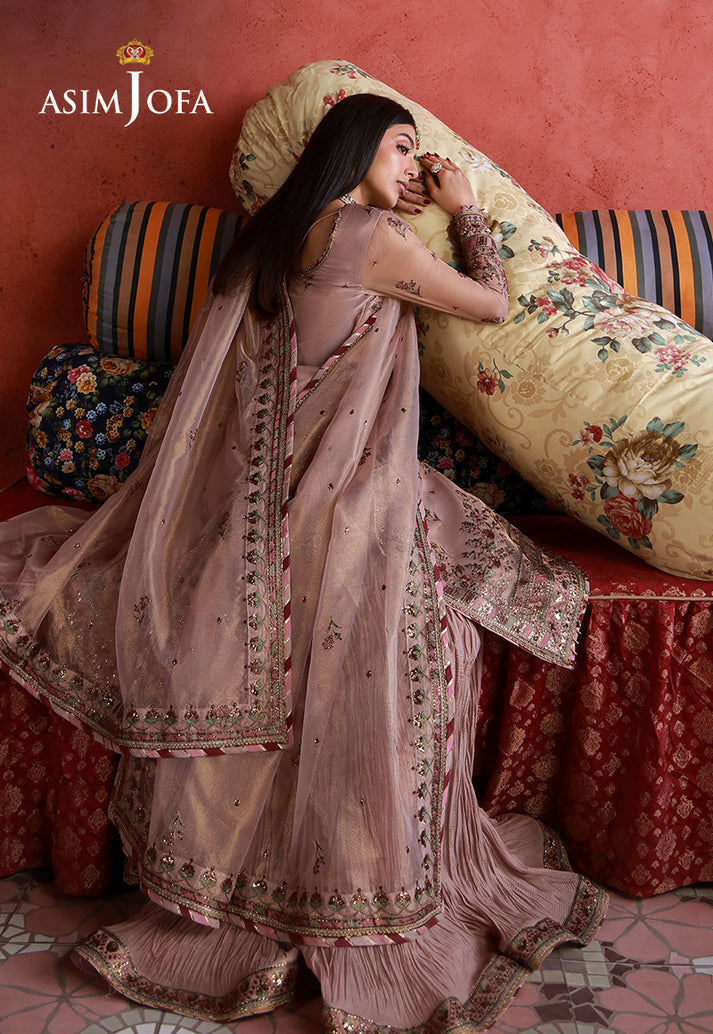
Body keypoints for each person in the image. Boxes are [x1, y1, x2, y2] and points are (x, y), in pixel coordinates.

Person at [0, 94, 606, 1031]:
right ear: (353, 148)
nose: (411, 167)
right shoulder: (370, 237)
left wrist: (405, 195)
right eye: (400, 148)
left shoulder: (271, 237)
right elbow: (491, 304)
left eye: (417, 156)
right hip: (341, 501)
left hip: (251, 508)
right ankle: (361, 883)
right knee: (440, 610)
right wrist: (465, 210)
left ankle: (231, 885)